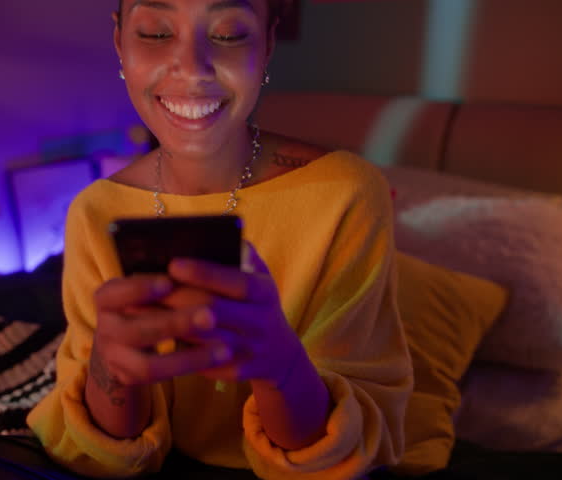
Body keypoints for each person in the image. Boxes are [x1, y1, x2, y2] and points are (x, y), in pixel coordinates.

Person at [25, 1, 413, 479]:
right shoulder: (95, 211)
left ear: (267, 45)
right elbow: (101, 457)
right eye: (155, 32)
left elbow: (342, 452)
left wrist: (281, 366)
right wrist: (113, 366)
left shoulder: (345, 195)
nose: (192, 69)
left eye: (228, 34)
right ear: (120, 43)